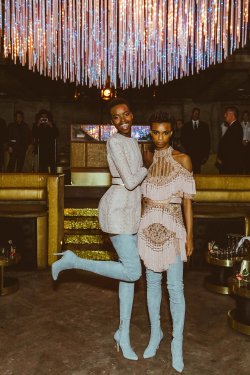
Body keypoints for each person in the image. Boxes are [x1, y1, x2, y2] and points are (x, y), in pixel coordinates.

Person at [51, 97, 147, 360]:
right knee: (133, 272)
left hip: (133, 210)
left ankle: (123, 334)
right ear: (112, 122)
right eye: (116, 117)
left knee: (126, 277)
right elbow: (129, 180)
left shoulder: (133, 140)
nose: (123, 119)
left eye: (126, 114)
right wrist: (147, 167)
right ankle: (74, 261)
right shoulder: (114, 141)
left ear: (132, 114)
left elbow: (136, 182)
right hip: (117, 208)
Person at [138, 112, 196, 373]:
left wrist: (190, 236)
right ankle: (156, 335)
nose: (159, 137)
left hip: (173, 228)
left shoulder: (183, 159)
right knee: (151, 283)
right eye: (155, 132)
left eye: (165, 132)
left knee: (175, 287)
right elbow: (141, 196)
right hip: (148, 226)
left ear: (172, 133)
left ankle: (177, 344)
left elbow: (187, 202)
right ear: (150, 133)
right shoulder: (147, 157)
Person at [181, 107, 210, 173]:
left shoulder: (204, 126)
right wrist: (185, 151)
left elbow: (207, 141)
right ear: (192, 114)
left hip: (199, 155)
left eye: (197, 113)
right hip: (188, 154)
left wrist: (206, 155)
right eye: (195, 113)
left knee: (197, 172)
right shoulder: (186, 126)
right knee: (188, 172)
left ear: (199, 114)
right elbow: (183, 139)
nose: (196, 115)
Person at [216, 106, 244, 174]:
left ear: (231, 115)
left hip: (230, 164)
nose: (224, 115)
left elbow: (230, 147)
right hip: (228, 162)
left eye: (226, 113)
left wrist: (221, 158)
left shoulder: (236, 127)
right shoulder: (233, 126)